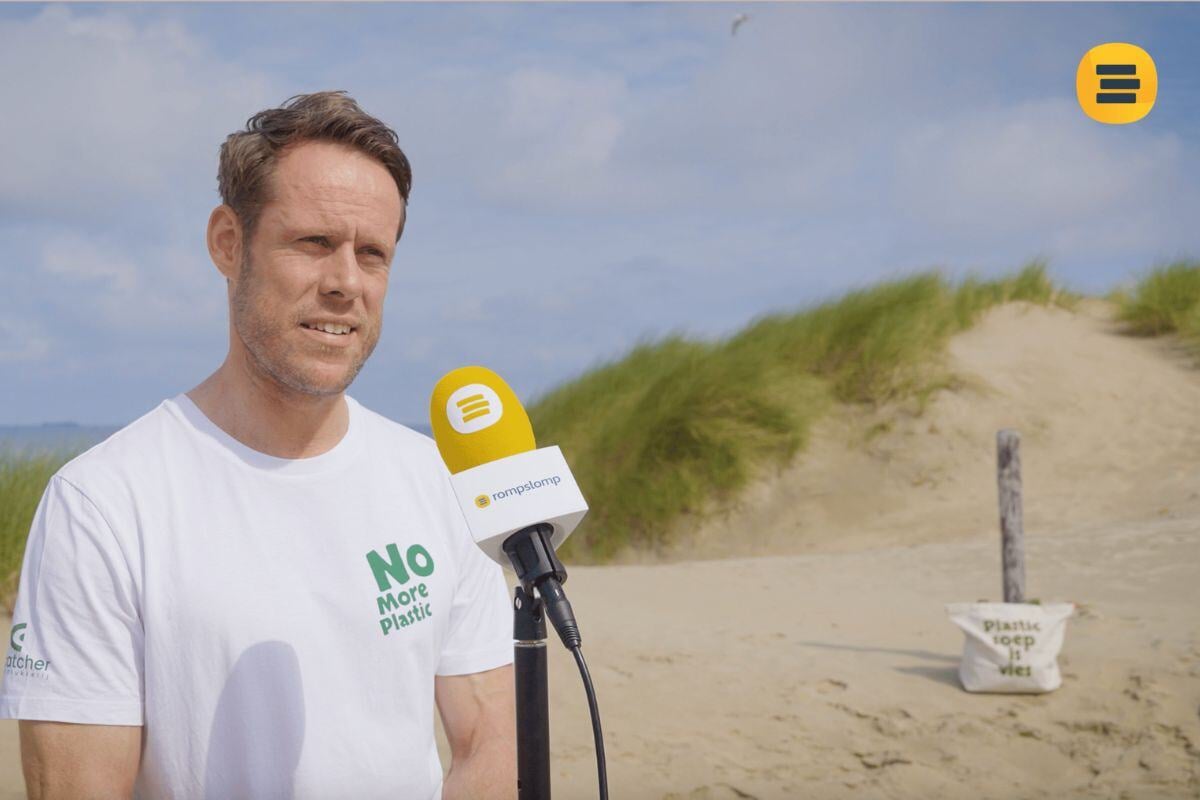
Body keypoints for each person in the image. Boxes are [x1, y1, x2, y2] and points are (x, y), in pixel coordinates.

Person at [0, 91, 517, 799]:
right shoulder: (103, 504)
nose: (345, 283)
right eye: (313, 243)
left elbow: (490, 739)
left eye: (373, 254)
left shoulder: (434, 477)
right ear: (227, 243)